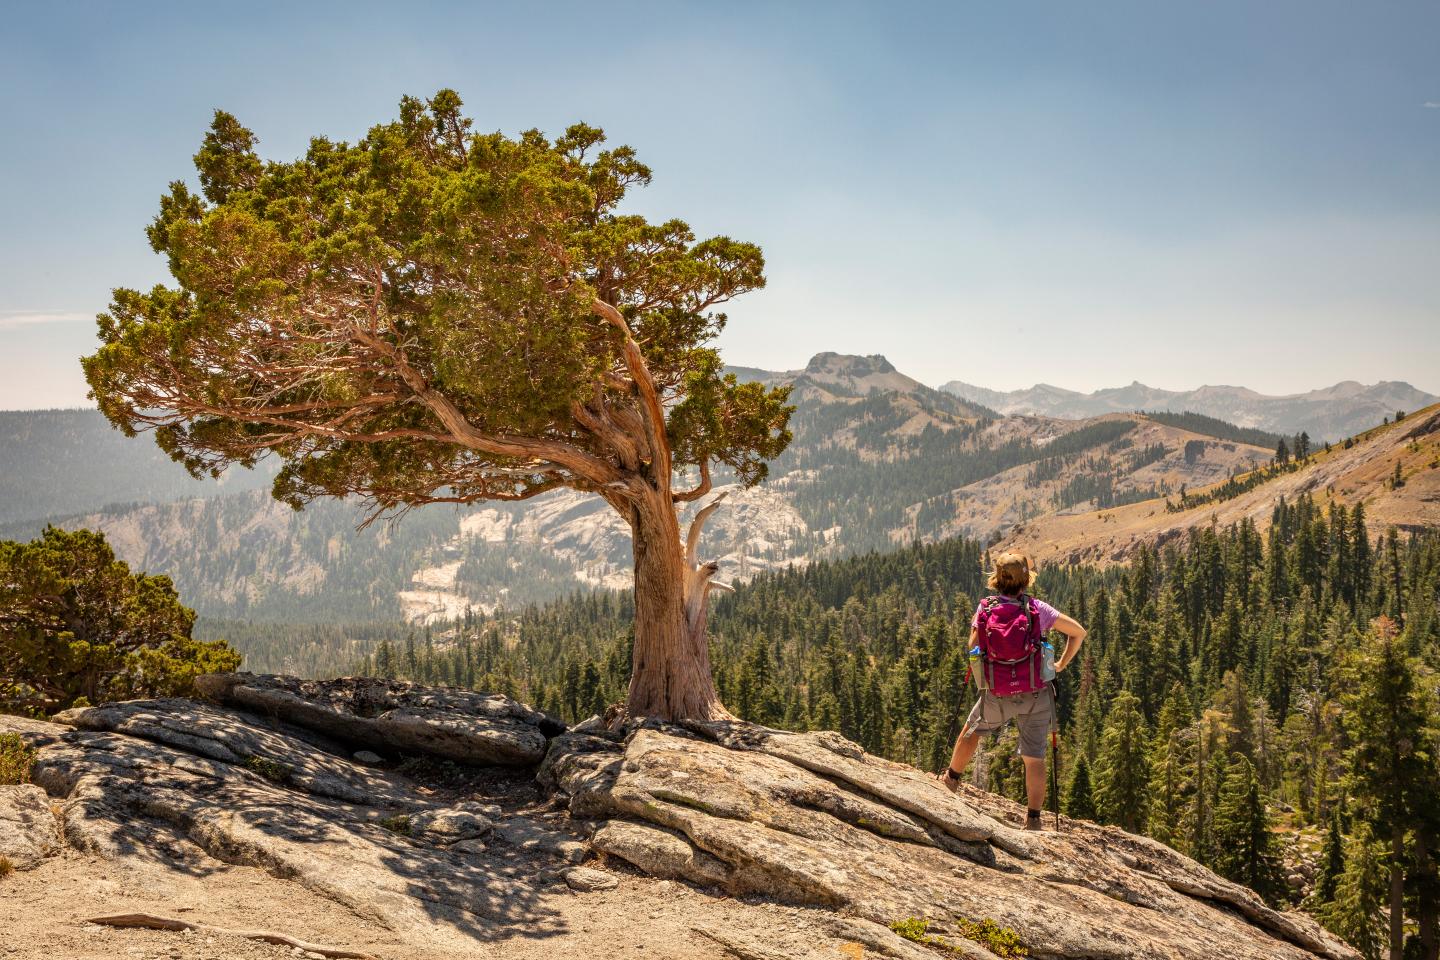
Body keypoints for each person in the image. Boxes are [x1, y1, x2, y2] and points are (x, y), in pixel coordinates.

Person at [938, 552, 1086, 831]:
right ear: (1025, 581)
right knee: (1034, 757)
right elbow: (1078, 632)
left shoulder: (985, 609)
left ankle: (951, 781)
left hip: (997, 691)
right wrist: (1060, 664)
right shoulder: (1037, 609)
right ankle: (1033, 820)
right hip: (1035, 692)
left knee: (971, 730)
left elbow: (972, 646)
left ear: (996, 580)